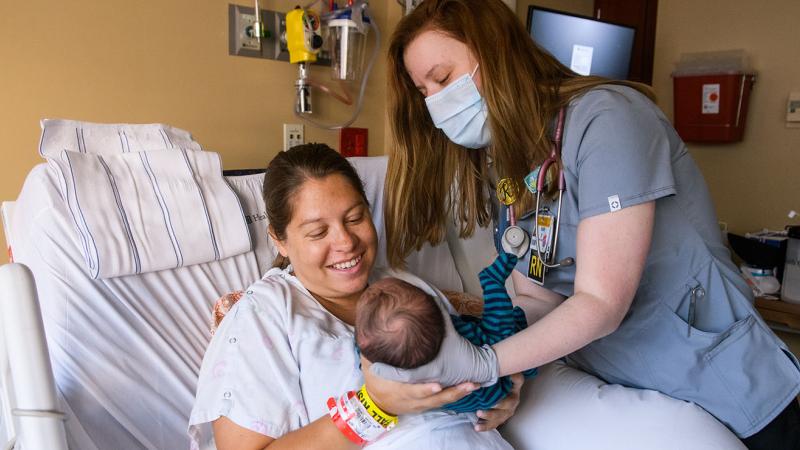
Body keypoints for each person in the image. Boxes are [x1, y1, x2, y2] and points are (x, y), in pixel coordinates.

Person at [367, 1, 800, 449]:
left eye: (442, 78)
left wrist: (484, 361)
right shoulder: (512, 158)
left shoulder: (609, 119)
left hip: (720, 381)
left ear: (495, 53)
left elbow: (600, 302)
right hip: (628, 386)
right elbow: (537, 293)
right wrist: (510, 372)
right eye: (424, 92)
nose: (437, 102)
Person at [188, 143, 520, 450]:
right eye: (318, 232)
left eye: (355, 218)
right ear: (280, 240)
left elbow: (479, 357)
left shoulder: (408, 289)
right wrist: (373, 406)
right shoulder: (264, 315)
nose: (346, 242)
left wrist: (505, 391)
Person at [356, 252, 536, 413]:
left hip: (469, 403)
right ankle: (491, 281)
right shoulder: (460, 337)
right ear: (438, 311)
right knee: (503, 332)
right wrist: (493, 284)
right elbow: (501, 333)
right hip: (494, 386)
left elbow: (365, 351)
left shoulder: (388, 366)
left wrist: (364, 351)